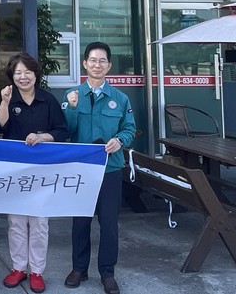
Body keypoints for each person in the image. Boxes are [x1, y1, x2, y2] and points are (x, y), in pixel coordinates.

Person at [62, 42, 136, 294]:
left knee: (109, 224)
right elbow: (66, 130)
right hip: (81, 169)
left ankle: (107, 272)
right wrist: (72, 108)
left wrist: (120, 141)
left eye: (102, 61)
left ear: (109, 65)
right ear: (85, 63)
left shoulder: (120, 98)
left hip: (110, 169)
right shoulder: (72, 95)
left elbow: (129, 128)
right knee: (80, 222)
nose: (97, 65)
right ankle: (79, 268)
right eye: (93, 60)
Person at [0, 53, 68, 294]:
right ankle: (18, 268)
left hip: (42, 170)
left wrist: (41, 137)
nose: (23, 77)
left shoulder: (48, 100)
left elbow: (61, 130)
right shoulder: (10, 98)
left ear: (35, 74)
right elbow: (0, 126)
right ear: (12, 76)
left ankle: (37, 271)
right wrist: (4, 102)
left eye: (27, 72)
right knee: (16, 222)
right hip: (15, 170)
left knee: (39, 222)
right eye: (18, 73)